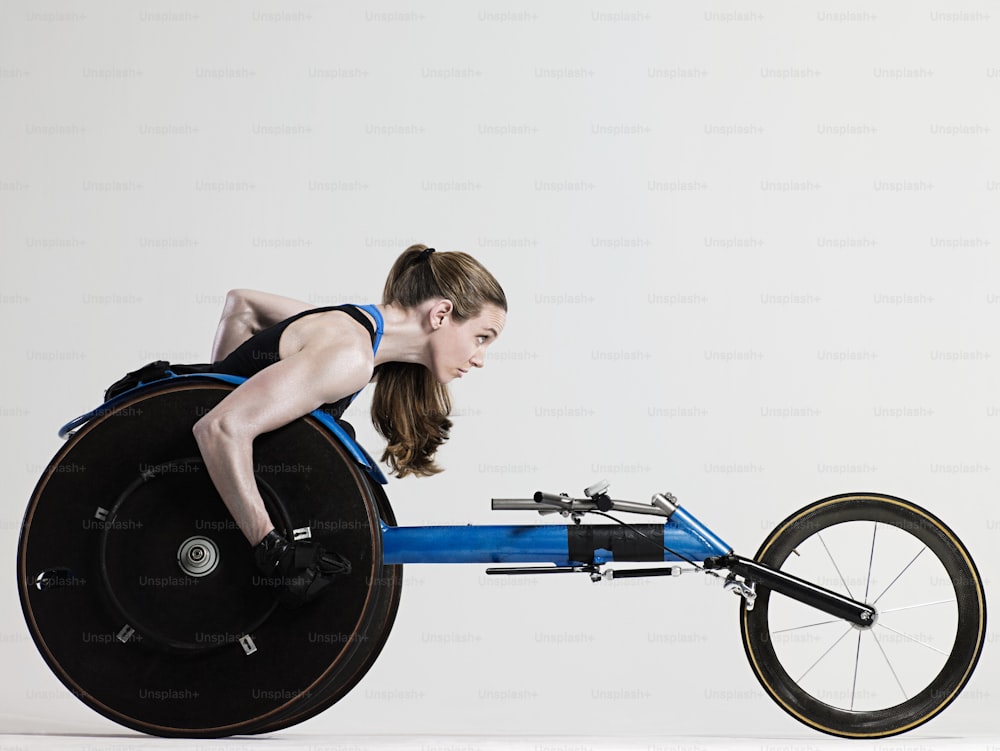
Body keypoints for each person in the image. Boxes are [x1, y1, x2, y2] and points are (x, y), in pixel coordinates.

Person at [193, 244, 507, 604]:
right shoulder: (349, 355)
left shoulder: (355, 332)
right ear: (441, 314)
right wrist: (271, 546)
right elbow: (219, 428)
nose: (481, 358)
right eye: (481, 337)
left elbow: (243, 306)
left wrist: (213, 391)